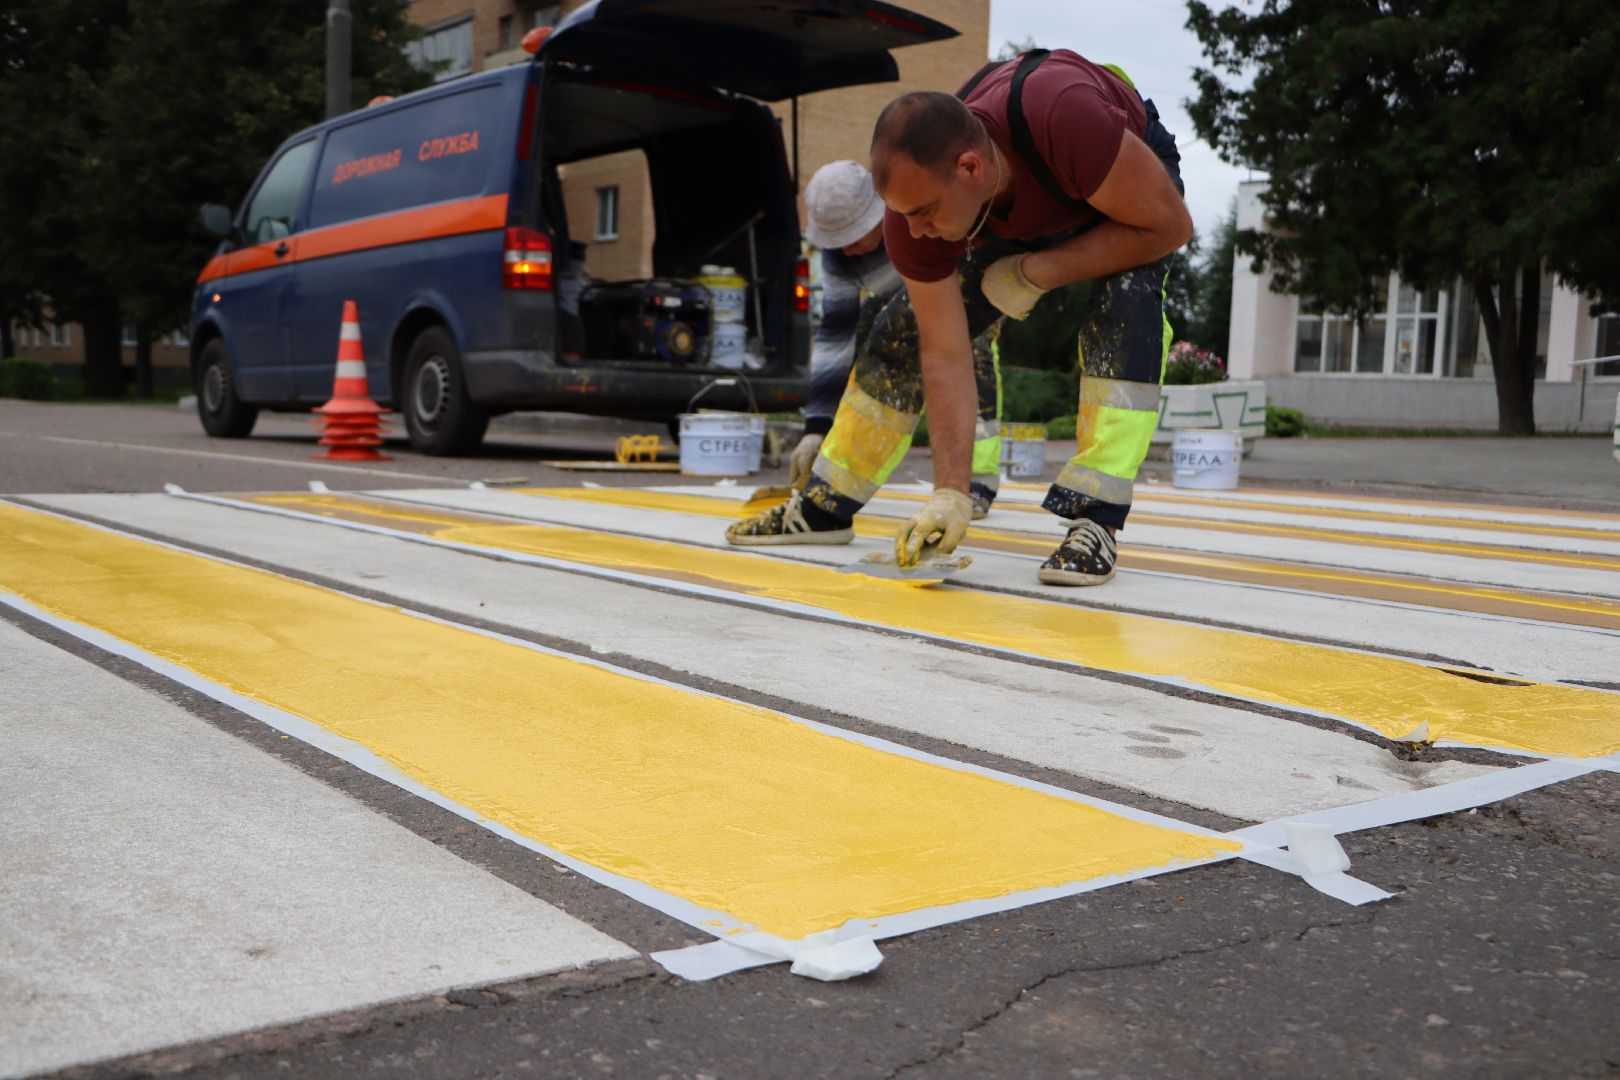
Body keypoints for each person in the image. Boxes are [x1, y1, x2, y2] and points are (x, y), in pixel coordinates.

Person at [731, 49, 1190, 584]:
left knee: (1125, 309)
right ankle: (823, 507)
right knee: (896, 333)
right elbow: (945, 352)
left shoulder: (1066, 117)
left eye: (924, 212)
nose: (915, 231)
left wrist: (1035, 272)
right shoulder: (915, 216)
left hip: (1121, 184)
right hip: (1018, 200)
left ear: (970, 167)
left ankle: (1096, 522)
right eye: (903, 215)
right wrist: (951, 492)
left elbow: (1169, 227)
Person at [725, 160, 1004, 546]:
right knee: (873, 325)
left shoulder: (916, 222)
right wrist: (816, 427)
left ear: (881, 211)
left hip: (955, 300)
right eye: (839, 241)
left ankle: (979, 482)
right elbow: (835, 337)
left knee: (971, 358)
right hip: (901, 308)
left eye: (856, 235)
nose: (850, 248)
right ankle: (834, 494)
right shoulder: (840, 257)